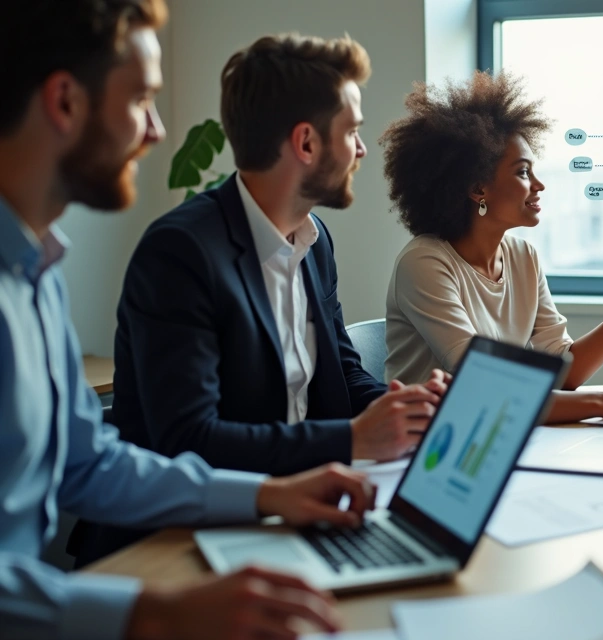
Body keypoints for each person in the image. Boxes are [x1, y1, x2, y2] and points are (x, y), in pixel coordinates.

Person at [0, 2, 380, 637]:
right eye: (143, 98)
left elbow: (90, 463)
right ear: (65, 102)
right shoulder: (177, 249)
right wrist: (152, 611)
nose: (155, 130)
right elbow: (183, 435)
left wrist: (267, 494)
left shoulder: (35, 273)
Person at [76, 33, 449, 564]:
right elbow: (189, 440)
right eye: (353, 132)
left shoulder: (315, 242)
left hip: (292, 513)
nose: (363, 150)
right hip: (174, 542)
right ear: (306, 143)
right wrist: (351, 440)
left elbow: (342, 374)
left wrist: (406, 412)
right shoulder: (181, 252)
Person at [380, 71, 603, 422]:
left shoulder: (523, 257)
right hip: (429, 448)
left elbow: (564, 370)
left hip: (498, 433)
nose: (538, 185)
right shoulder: (425, 263)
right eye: (523, 172)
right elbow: (480, 386)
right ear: (478, 189)